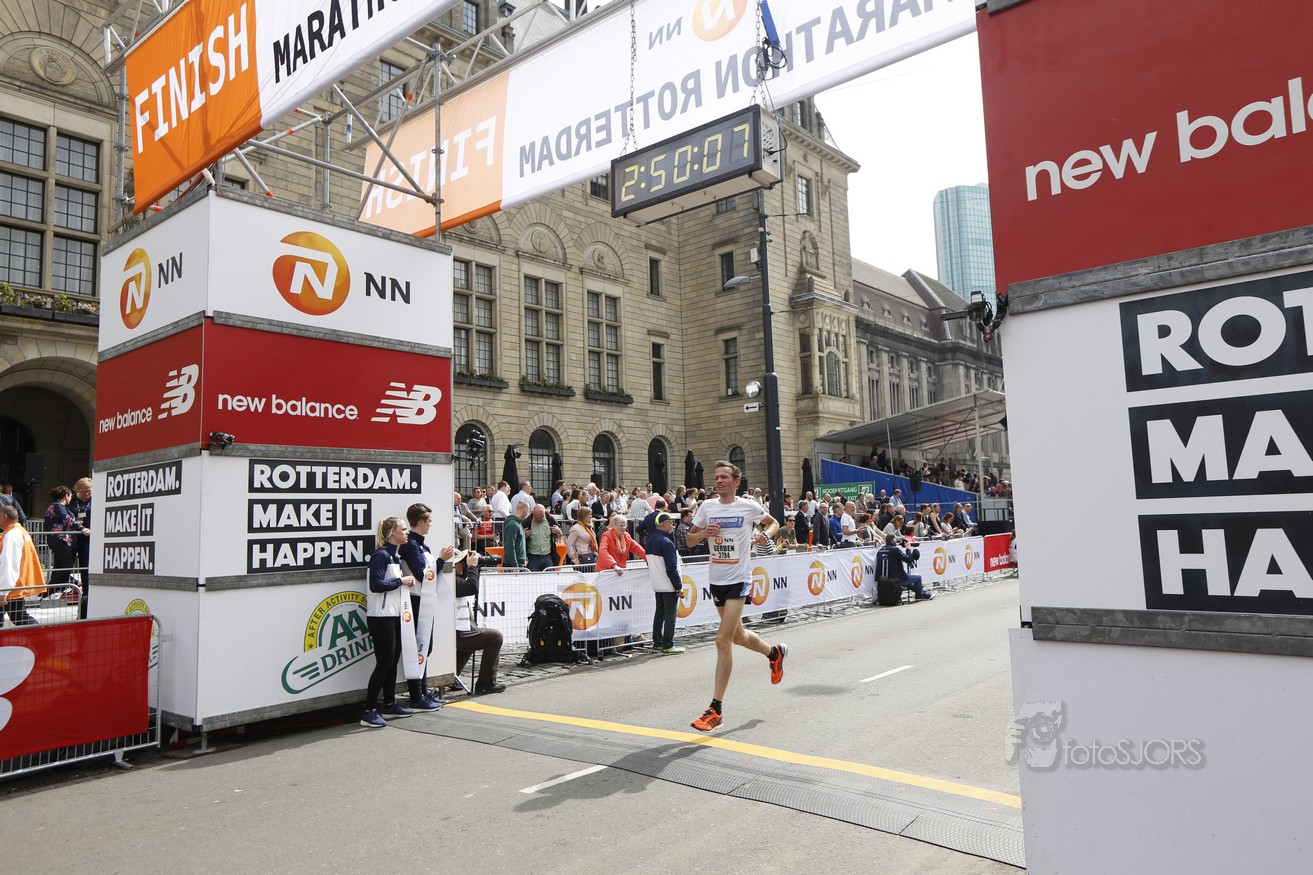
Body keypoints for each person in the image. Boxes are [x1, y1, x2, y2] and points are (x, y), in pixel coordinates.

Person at [685, 460, 787, 732]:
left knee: (722, 640)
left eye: (724, 477)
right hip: (716, 579)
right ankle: (774, 653)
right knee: (738, 636)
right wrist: (704, 533)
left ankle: (715, 709)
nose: (719, 481)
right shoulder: (707, 507)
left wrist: (765, 535)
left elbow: (774, 523)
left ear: (736, 482)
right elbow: (689, 540)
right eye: (716, 477)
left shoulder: (748, 506)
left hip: (740, 579)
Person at [361, 517, 420, 728]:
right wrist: (401, 581)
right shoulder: (381, 555)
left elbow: (390, 585)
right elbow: (376, 585)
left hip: (394, 615)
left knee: (392, 661)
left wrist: (404, 583)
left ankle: (389, 703)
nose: (407, 532)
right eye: (404, 529)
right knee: (385, 663)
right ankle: (369, 711)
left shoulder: (394, 556)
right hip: (380, 616)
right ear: (392, 532)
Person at [398, 503, 456, 712]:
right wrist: (441, 560)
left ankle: (422, 692)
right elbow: (424, 575)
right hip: (414, 600)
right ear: (421, 522)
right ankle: (417, 695)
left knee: (425, 646)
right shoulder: (411, 545)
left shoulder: (421, 545)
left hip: (425, 599)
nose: (431, 524)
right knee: (419, 647)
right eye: (429, 521)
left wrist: (439, 561)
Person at [451, 549, 505, 693]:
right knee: (496, 637)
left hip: (459, 632)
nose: (463, 565)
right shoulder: (451, 581)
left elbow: (468, 581)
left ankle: (451, 677)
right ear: (453, 565)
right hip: (457, 634)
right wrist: (472, 566)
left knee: (471, 642)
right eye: (461, 562)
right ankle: (485, 682)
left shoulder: (450, 578)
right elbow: (472, 587)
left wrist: (472, 566)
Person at [645, 511, 684, 654]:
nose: (672, 526)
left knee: (659, 613)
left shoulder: (650, 540)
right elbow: (671, 568)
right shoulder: (666, 542)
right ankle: (668, 644)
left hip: (657, 583)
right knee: (670, 615)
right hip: (668, 584)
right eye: (671, 523)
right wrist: (678, 586)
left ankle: (657, 642)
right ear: (665, 524)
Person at [0, 505, 44, 627]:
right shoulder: (19, 532)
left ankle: (40, 634)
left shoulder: (11, 535)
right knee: (19, 616)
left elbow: (9, 563)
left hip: (9, 586)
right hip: (14, 585)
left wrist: (3, 591)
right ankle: (40, 633)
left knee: (19, 616)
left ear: (4, 517)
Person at [45, 486, 87, 593]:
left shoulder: (56, 506)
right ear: (66, 496)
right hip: (61, 540)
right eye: (70, 495)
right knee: (65, 566)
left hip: (58, 540)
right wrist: (82, 528)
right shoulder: (58, 506)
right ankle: (54, 590)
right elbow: (67, 520)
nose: (71, 498)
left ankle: (53, 591)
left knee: (60, 566)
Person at [875, 534, 935, 601]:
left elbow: (890, 561)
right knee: (918, 577)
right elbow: (908, 559)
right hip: (896, 579)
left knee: (909, 583)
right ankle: (919, 596)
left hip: (883, 581)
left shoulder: (880, 551)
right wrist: (908, 549)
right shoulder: (894, 549)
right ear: (893, 540)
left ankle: (926, 593)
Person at [525, 504, 561, 571]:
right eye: (536, 517)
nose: (539, 519)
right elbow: (519, 539)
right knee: (531, 577)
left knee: (550, 577)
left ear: (544, 513)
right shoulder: (527, 521)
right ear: (533, 513)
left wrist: (559, 532)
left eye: (541, 517)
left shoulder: (550, 519)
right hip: (532, 557)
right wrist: (523, 535)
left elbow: (560, 536)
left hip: (547, 556)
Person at [501, 500, 529, 567]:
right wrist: (515, 565)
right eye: (528, 511)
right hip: (513, 564)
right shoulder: (513, 525)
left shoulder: (517, 524)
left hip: (518, 563)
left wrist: (525, 558)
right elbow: (510, 546)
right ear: (525, 511)